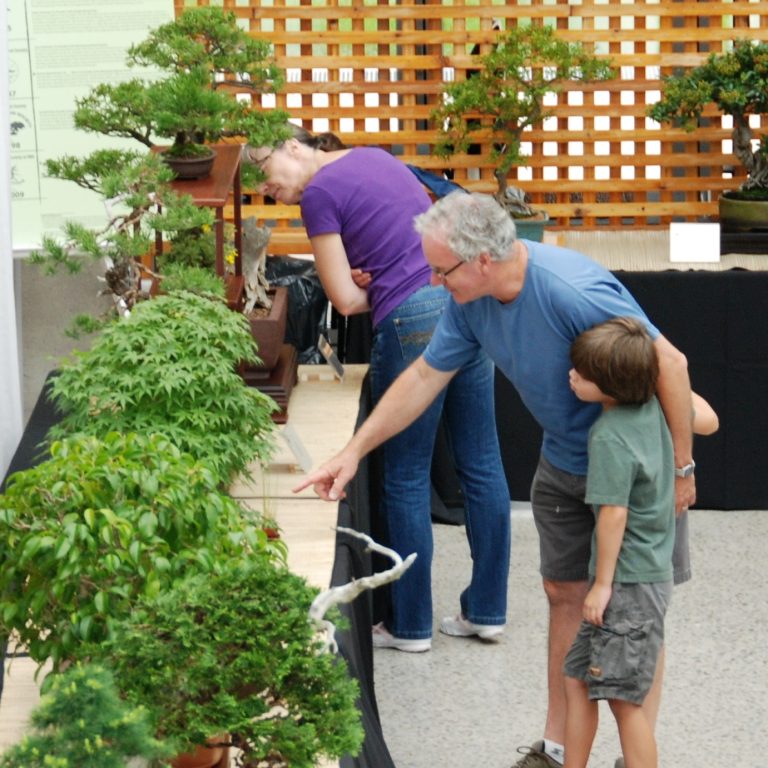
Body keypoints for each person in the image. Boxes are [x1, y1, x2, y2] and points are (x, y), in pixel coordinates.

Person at [294, 191, 697, 768]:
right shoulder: (469, 303)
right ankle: (557, 751)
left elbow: (672, 365)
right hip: (563, 461)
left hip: (633, 473)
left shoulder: (570, 290)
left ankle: (638, 754)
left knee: (636, 613)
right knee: (565, 597)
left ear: (483, 259)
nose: (432, 283)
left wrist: (681, 467)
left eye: (440, 269)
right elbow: (426, 375)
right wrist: (353, 451)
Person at [246, 127, 511, 653]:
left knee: (407, 473)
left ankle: (409, 625)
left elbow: (343, 300)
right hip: (463, 302)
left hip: (412, 321)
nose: (265, 190)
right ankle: (487, 612)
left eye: (264, 174)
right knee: (482, 461)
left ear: (293, 147)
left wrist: (374, 287)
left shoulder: (319, 194)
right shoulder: (376, 157)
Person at [561, 318, 692, 768]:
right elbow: (706, 419)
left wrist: (601, 585)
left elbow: (613, 515)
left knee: (624, 704)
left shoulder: (609, 437)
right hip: (646, 577)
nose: (571, 376)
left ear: (612, 385)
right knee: (577, 678)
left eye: (583, 373)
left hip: (628, 587)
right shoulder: (654, 406)